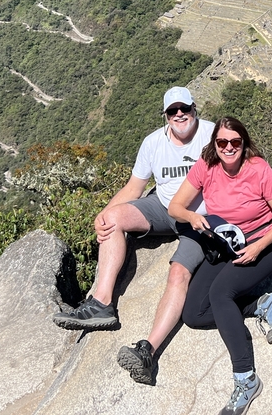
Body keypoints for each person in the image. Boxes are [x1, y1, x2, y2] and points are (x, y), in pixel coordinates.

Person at [51, 86, 214, 386]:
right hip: (164, 209)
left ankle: (148, 352)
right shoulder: (153, 143)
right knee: (114, 219)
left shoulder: (212, 136)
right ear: (165, 116)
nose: (180, 115)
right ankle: (102, 303)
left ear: (194, 110)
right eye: (173, 111)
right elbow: (134, 188)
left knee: (178, 275)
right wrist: (103, 215)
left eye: (185, 109)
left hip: (199, 219)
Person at [168, 116, 272, 415]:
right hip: (228, 243)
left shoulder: (259, 170)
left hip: (265, 244)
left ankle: (246, 378)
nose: (228, 147)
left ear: (244, 143)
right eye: (222, 142)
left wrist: (258, 247)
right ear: (214, 144)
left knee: (221, 293)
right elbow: (176, 206)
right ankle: (261, 304)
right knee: (193, 313)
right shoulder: (206, 166)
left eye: (235, 142)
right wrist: (192, 217)